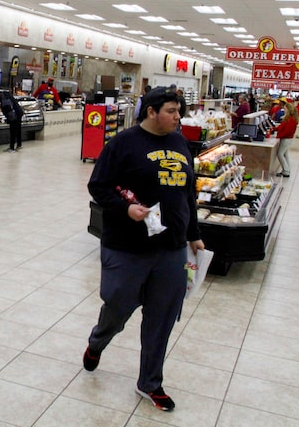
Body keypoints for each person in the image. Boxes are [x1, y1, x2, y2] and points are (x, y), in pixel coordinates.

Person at [83, 85, 205, 412]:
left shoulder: (181, 143)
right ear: (151, 112)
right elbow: (99, 186)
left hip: (172, 248)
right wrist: (127, 210)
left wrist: (193, 234)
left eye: (179, 111)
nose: (178, 117)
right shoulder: (123, 144)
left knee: (162, 316)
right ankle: (97, 342)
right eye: (171, 111)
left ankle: (150, 383)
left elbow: (187, 194)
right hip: (127, 246)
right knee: (118, 307)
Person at [270, 100, 299, 177]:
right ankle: (287, 169)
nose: (284, 109)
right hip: (287, 138)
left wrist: (278, 136)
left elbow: (286, 131)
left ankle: (286, 171)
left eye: (285, 108)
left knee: (280, 154)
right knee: (285, 154)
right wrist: (274, 129)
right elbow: (281, 127)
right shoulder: (289, 118)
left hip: (286, 139)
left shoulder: (290, 119)